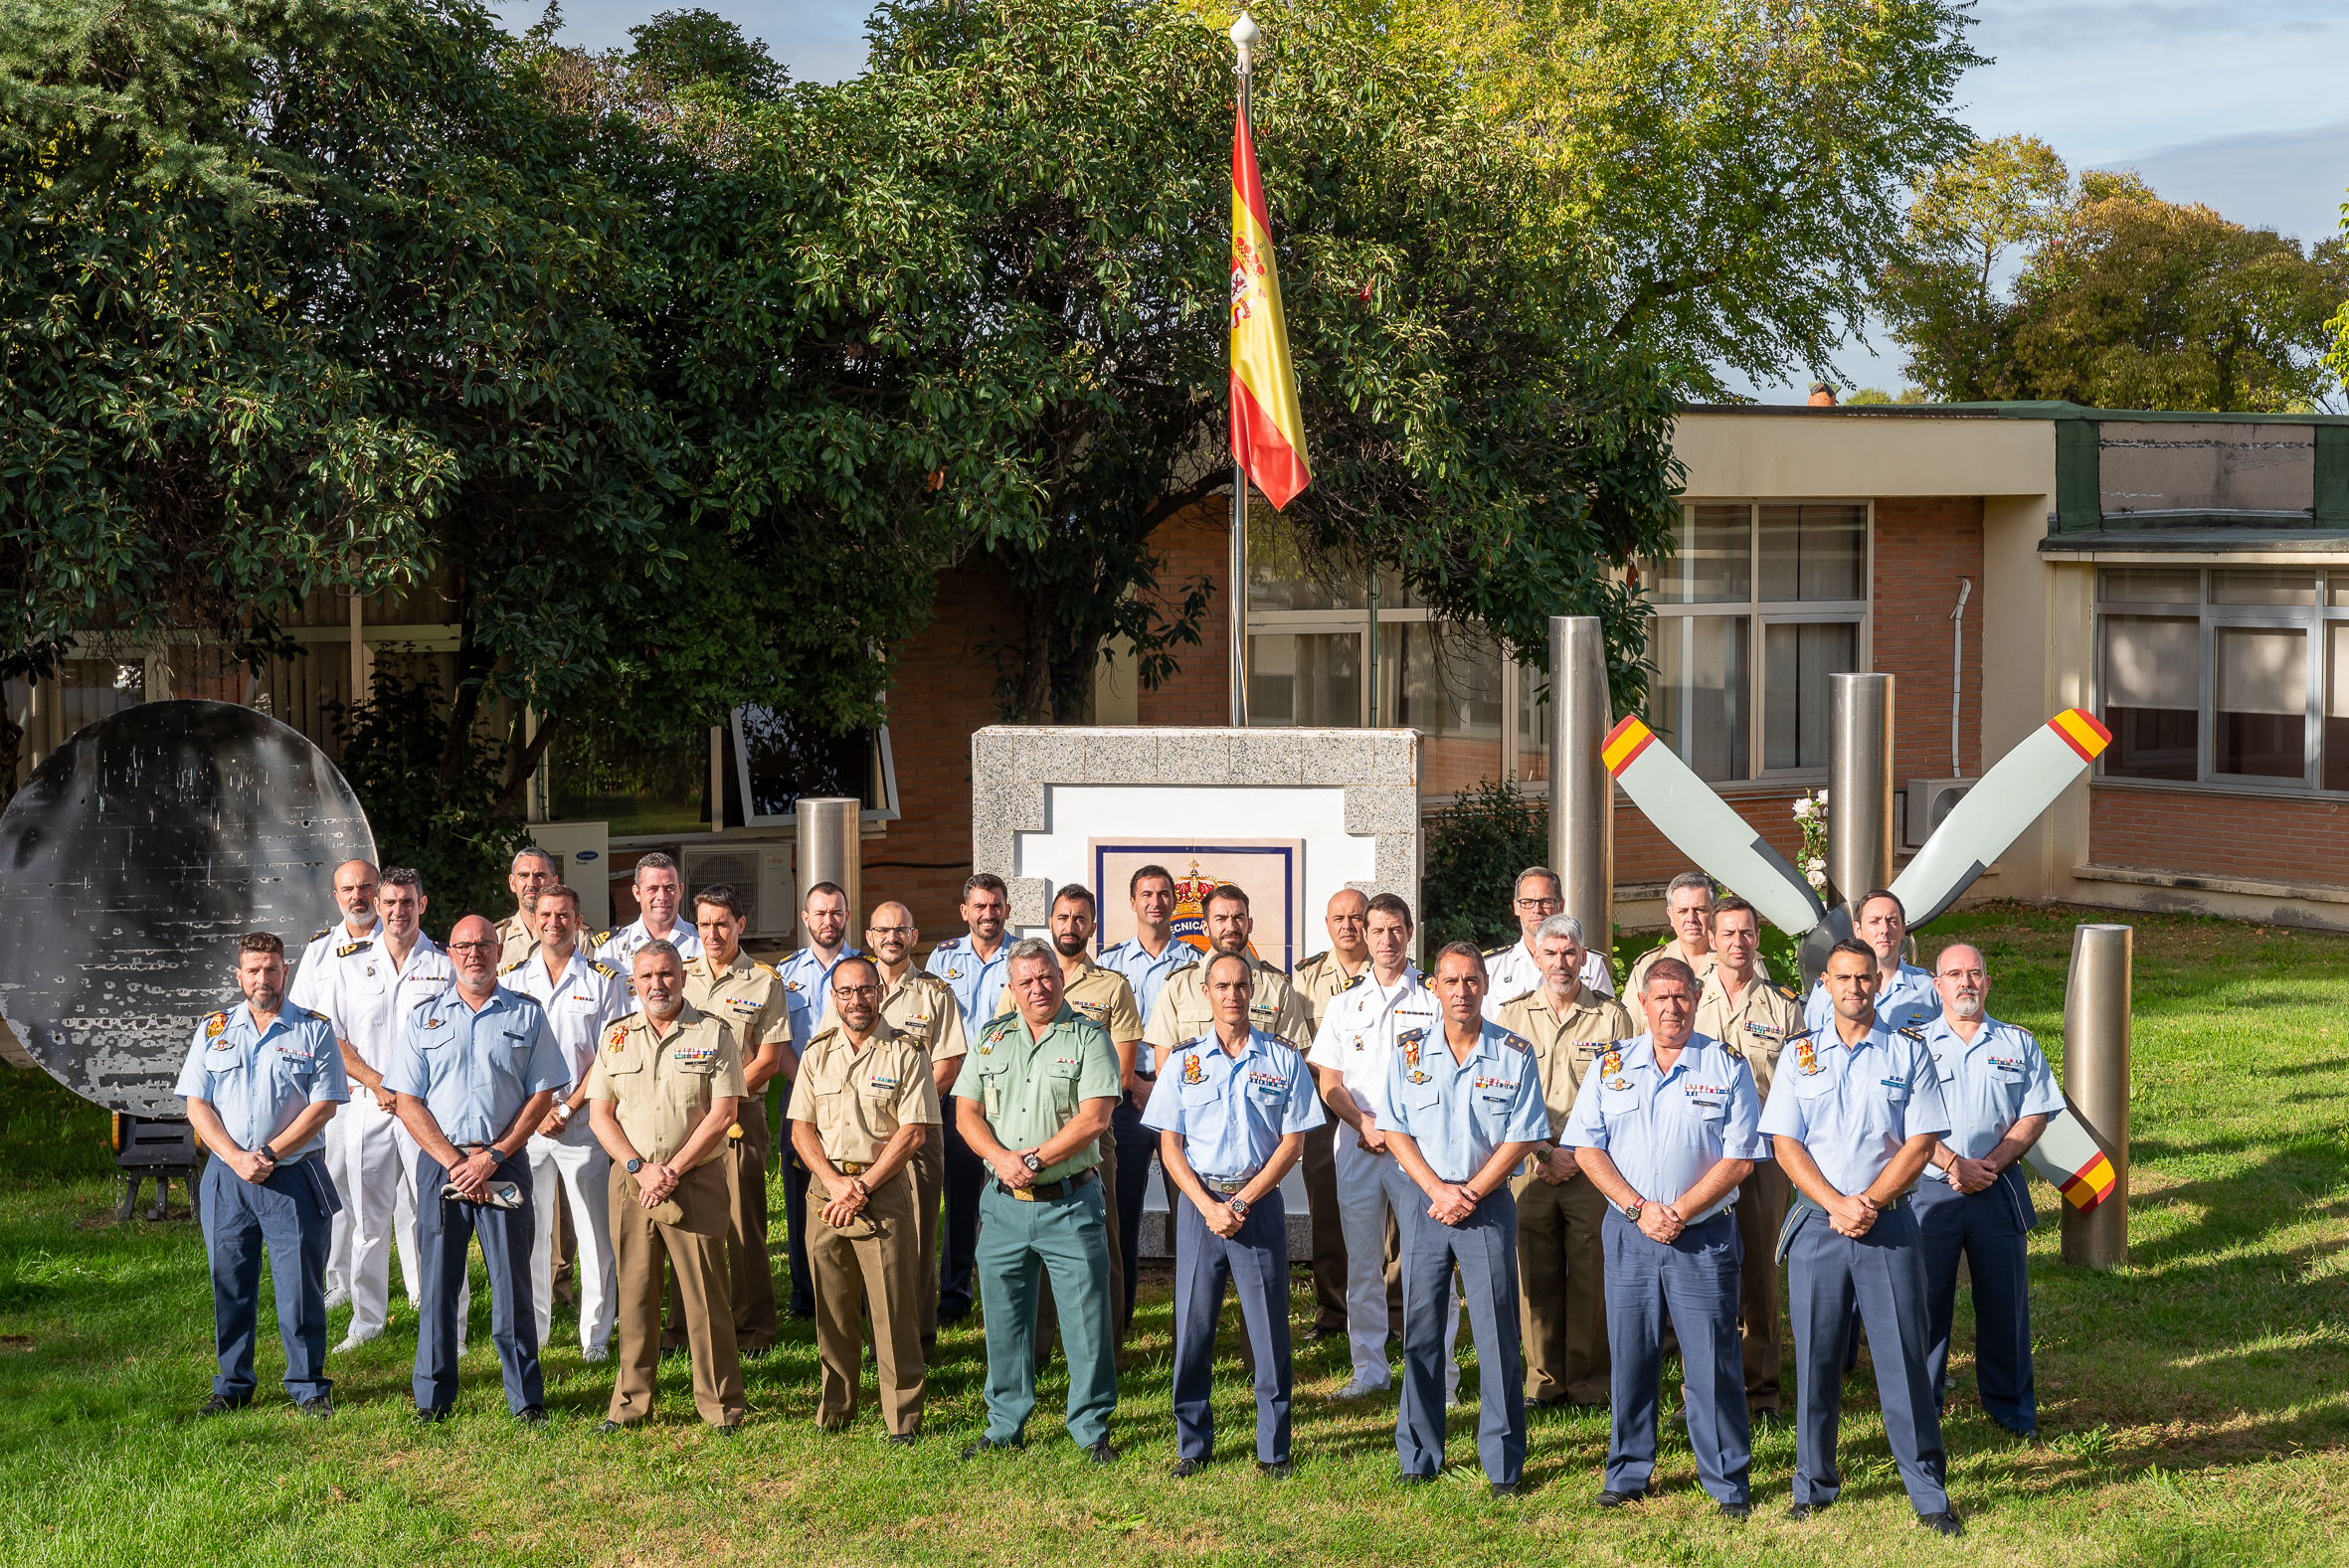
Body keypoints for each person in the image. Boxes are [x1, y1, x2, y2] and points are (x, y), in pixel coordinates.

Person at [1760, 938, 1961, 1536]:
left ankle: (1926, 1491)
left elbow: (1921, 1142)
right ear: (1825, 983)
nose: (1854, 988)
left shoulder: (1907, 1054)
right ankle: (1814, 1485)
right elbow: (1784, 1144)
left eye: (1864, 978)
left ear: (1879, 982)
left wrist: (1869, 1202)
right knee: (1816, 1361)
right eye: (1843, 979)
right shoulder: (1798, 1056)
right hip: (1818, 1226)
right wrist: (1835, 1205)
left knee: (1902, 1358)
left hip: (1889, 1222)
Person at [1563, 957, 1764, 1519]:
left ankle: (1726, 1478)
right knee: (1631, 1354)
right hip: (1630, 1234)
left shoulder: (1727, 1066)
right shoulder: (1610, 1067)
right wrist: (1638, 1208)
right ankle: (1628, 1470)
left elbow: (1740, 1159)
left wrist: (1675, 1210)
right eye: (1661, 998)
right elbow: (1586, 1148)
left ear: (1696, 1000)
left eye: (1681, 996)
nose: (1671, 1007)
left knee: (1712, 1360)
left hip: (1702, 1236)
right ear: (1642, 1005)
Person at [1377, 943, 1548, 1497]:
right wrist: (1436, 1190)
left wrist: (1469, 1192)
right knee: (1421, 1331)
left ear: (1484, 985)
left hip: (1488, 1205)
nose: (1461, 991)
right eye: (1450, 981)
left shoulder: (1515, 1053)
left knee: (1498, 1333)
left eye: (1471, 980)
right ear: (1435, 988)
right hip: (1425, 1206)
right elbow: (1395, 1129)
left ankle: (1502, 1463)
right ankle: (1420, 1453)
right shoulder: (1407, 1053)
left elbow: (1522, 1135)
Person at [384, 914, 568, 1424]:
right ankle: (432, 1399)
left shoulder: (527, 1015)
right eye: (463, 945)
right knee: (439, 1285)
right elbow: (406, 1098)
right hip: (441, 1167)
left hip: (502, 1163)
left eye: (484, 945)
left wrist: (493, 1156)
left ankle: (526, 1400)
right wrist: (453, 1161)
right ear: (449, 952)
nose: (474, 954)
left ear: (498, 951)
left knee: (513, 1285)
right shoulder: (424, 1018)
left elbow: (542, 1093)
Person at [1147, 952, 1323, 1479]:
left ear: (1253, 992)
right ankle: (1192, 1444)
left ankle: (1274, 1449)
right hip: (1201, 1209)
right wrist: (1206, 1205)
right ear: (1207, 992)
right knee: (1193, 1330)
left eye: (1241, 985)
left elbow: (1293, 1144)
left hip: (1258, 1206)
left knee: (1269, 1333)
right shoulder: (1182, 1061)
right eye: (1221, 985)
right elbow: (1169, 1145)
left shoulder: (1283, 1059)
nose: (1232, 995)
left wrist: (1242, 1202)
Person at [954, 939, 1121, 1465]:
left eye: (1045, 977)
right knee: (1003, 1319)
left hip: (1069, 1202)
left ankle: (1090, 1427)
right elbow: (966, 1115)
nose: (1037, 988)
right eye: (1025, 981)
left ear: (1060, 977)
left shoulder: (1090, 1038)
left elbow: (1094, 1117)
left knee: (1086, 1321)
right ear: (1012, 987)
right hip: (1003, 1204)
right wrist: (1003, 1161)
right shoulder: (991, 1039)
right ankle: (1004, 1423)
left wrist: (1034, 1159)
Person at [178, 933, 348, 1417]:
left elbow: (323, 1107)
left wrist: (267, 1153)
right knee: (229, 1281)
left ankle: (309, 1386)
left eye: (271, 969)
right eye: (253, 970)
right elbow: (197, 1103)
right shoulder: (215, 1030)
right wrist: (234, 1157)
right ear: (239, 975)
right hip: (227, 1180)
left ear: (285, 972)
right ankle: (232, 1385)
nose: (262, 979)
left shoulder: (313, 1031)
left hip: (291, 1177)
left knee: (299, 1287)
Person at [584, 940, 749, 1432]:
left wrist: (670, 1169)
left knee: (704, 1296)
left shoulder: (714, 1033)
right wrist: (640, 1168)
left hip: (693, 1180)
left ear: (682, 977)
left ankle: (721, 1406)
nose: (658, 984)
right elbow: (600, 1115)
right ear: (633, 983)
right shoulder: (615, 1037)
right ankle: (631, 1404)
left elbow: (723, 1115)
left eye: (667, 974)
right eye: (647, 977)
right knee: (634, 1296)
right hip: (634, 1183)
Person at [1306, 892, 1457, 1403]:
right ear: (1364, 936)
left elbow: (1451, 1075)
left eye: (1396, 929)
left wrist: (1402, 1131)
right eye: (1377, 930)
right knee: (1363, 1266)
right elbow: (1330, 1082)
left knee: (1430, 1264)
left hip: (1420, 1153)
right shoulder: (1347, 1004)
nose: (1387, 939)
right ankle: (1369, 1369)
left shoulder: (1434, 1000)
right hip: (1359, 1146)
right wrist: (1364, 1122)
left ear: (1409, 933)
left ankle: (1439, 1375)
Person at [789, 956, 939, 1442]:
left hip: (883, 1190)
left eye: (866, 990)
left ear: (880, 991)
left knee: (893, 1309)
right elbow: (800, 1130)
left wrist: (863, 1187)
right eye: (847, 991)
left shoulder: (907, 1052)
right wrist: (835, 1184)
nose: (857, 1000)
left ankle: (903, 1418)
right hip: (826, 1193)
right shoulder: (816, 1053)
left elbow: (913, 1132)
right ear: (835, 997)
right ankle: (836, 1407)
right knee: (832, 1307)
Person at [1916, 944, 2062, 1440]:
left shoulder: (2018, 1044)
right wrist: (1952, 1162)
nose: (1965, 982)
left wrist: (1992, 1164)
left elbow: (2036, 1111)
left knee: (2005, 1306)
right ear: (1937, 985)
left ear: (1987, 981)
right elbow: (1899, 1119)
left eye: (1974, 973)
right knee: (1924, 1306)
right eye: (1953, 974)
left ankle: (2011, 1410)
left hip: (1998, 1188)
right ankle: (1920, 1408)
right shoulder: (1911, 1045)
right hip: (1929, 1189)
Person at [812, 901, 968, 1357]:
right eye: (882, 930)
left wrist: (906, 1117)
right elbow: (826, 1054)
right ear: (870, 934)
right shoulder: (847, 988)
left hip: (913, 1136)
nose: (891, 937)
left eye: (901, 929)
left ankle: (915, 1338)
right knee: (857, 1235)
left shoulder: (936, 993)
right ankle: (864, 1332)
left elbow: (949, 1062)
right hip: (854, 1136)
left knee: (914, 1239)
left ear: (914, 936)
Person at [313, 866, 459, 1349]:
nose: (398, 911)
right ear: (378, 906)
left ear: (423, 904)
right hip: (369, 1107)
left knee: (435, 1220)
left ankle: (447, 1328)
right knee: (368, 1223)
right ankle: (367, 1322)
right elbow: (334, 1037)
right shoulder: (348, 963)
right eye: (390, 902)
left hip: (429, 1115)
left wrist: (411, 1093)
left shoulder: (444, 966)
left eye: (407, 902)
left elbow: (457, 1039)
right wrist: (380, 1084)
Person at [1495, 913, 1633, 1411]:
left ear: (1584, 958)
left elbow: (1621, 1095)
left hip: (1590, 1162)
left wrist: (1574, 1153)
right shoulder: (1510, 1017)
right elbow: (1501, 1094)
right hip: (1527, 1159)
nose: (1560, 963)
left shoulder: (1611, 1017)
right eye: (1550, 953)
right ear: (1535, 956)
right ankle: (1543, 1381)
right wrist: (1541, 1151)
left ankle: (1591, 1383)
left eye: (1569, 953)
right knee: (1534, 1272)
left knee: (1593, 1271)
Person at [1007, 884, 1142, 1355]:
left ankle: (1106, 1345)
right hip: (1026, 1135)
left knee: (1100, 1239)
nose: (1071, 926)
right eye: (1063, 917)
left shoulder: (1111, 986)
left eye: (1080, 918)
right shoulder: (1021, 978)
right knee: (1031, 1244)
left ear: (1092, 925)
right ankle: (1040, 1346)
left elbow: (1122, 1072)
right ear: (1051, 922)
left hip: (1088, 1135)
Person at [1695, 895, 1805, 1424]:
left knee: (1760, 1271)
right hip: (1698, 1156)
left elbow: (1802, 1084)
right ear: (1711, 939)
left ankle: (1762, 1391)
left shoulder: (1784, 1006)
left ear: (1758, 939)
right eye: (1728, 933)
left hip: (1761, 1158)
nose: (1738, 942)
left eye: (1747, 933)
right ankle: (1711, 1386)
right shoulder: (1688, 998)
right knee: (1707, 1273)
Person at [507, 884, 627, 1362]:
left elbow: (611, 1056)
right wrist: (534, 1114)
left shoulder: (604, 979)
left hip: (583, 1123)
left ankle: (595, 1337)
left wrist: (568, 1107)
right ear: (533, 920)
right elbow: (507, 1056)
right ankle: (534, 1331)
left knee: (595, 1231)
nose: (554, 922)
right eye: (546, 914)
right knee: (529, 1233)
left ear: (580, 922)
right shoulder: (514, 980)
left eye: (564, 915)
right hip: (527, 1126)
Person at [681, 885, 794, 1354]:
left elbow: (769, 1059)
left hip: (738, 1117)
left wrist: (721, 1101)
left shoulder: (764, 982)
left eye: (722, 923)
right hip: (684, 1115)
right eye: (704, 923)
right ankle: (685, 1326)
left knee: (744, 1224)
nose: (713, 932)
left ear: (741, 925)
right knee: (685, 1222)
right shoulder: (680, 975)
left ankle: (754, 1328)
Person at [286, 857, 377, 1314]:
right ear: (336, 896)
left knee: (406, 1198)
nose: (357, 896)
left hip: (397, 1091)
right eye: (348, 889)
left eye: (365, 887)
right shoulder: (320, 951)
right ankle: (339, 1281)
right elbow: (303, 1020)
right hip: (340, 1094)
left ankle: (419, 1287)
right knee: (338, 1184)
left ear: (377, 892)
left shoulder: (400, 943)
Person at [1287, 889, 1375, 1347]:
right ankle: (1332, 1309)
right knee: (1326, 1204)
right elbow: (1300, 1044)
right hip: (1324, 1101)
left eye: (1357, 917)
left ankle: (1391, 1308)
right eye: (1339, 917)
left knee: (1390, 1212)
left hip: (1379, 1104)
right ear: (1326, 923)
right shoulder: (1305, 978)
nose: (1349, 926)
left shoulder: (1390, 969)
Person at [773, 879, 861, 1319]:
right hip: (802, 1101)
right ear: (805, 919)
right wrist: (808, 1086)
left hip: (858, 1103)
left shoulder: (866, 971)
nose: (829, 920)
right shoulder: (785, 975)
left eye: (837, 912)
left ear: (847, 916)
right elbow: (779, 1040)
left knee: (858, 1185)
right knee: (799, 1194)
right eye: (820, 913)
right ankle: (804, 1295)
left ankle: (860, 1293)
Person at [926, 873, 1012, 1324]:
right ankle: (955, 1293)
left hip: (1010, 1092)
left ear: (1007, 910)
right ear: (965, 911)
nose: (987, 913)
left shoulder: (1023, 958)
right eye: (979, 906)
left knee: (1011, 1193)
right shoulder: (942, 961)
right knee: (960, 1197)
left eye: (995, 905)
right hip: (959, 1092)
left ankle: (1007, 1290)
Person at [1484, 866, 1615, 1018]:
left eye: (1545, 901)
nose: (1536, 909)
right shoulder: (1493, 968)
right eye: (1527, 902)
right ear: (1516, 907)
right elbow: (1482, 1029)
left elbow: (1608, 1021)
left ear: (1560, 906)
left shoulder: (1591, 964)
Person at [1803, 889, 1939, 1034]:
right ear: (1858, 930)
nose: (1884, 930)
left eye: (1892, 921)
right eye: (1874, 921)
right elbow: (1809, 1048)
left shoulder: (1930, 989)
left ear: (1903, 930)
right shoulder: (1825, 992)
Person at [1626, 873, 1751, 1027]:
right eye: (1683, 911)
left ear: (1714, 913)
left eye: (1699, 909)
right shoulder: (1648, 966)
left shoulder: (1743, 961)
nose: (1691, 918)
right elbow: (1630, 1030)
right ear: (1670, 915)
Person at [592, 852, 704, 976]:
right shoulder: (612, 947)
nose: (662, 897)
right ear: (637, 893)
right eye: (652, 889)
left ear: (681, 891)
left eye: (669, 888)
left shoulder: (704, 941)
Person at [495, 847, 558, 969]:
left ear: (554, 882)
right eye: (523, 875)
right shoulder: (495, 939)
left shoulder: (577, 938)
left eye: (539, 875)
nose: (531, 883)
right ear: (512, 883)